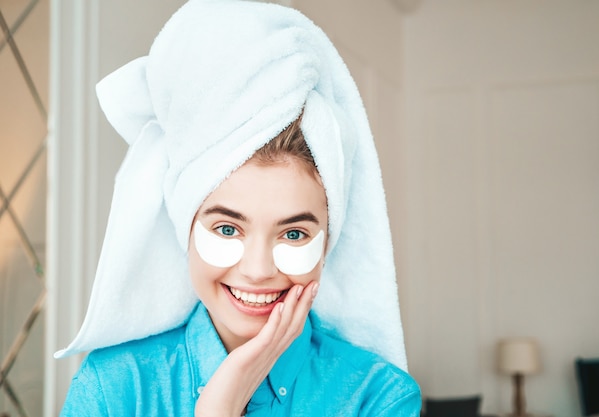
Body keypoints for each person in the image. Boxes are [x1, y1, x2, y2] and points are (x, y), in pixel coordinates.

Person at [57, 1, 421, 416]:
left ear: (328, 241)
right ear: (186, 228)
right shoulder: (114, 387)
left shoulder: (377, 397)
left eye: (293, 233)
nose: (259, 270)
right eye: (228, 229)